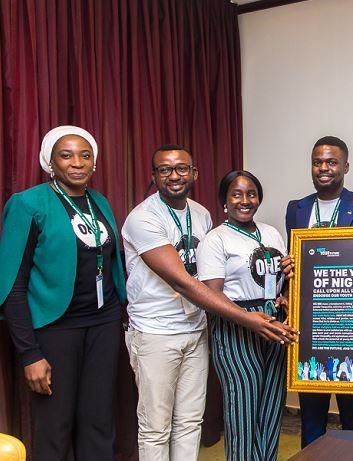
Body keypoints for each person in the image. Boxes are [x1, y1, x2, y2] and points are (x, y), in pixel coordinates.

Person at [123, 145, 297, 461]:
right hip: (157, 331)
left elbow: (264, 280)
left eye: (182, 168)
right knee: (156, 428)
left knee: (191, 421)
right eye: (165, 169)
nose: (174, 175)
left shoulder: (200, 213)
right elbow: (184, 281)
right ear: (154, 176)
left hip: (195, 326)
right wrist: (249, 318)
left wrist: (284, 289)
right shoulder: (143, 218)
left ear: (194, 174)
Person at [0, 126, 125, 460]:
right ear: (50, 162)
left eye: (85, 155)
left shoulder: (98, 201)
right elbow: (12, 284)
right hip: (55, 329)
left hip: (103, 324)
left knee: (99, 421)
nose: (77, 163)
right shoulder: (27, 204)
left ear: (94, 163)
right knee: (55, 427)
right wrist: (29, 352)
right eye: (66, 155)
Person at [284, 136, 353, 447]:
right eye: (317, 162)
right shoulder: (296, 208)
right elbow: (295, 261)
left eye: (331, 162)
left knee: (352, 414)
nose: (323, 168)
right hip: (310, 327)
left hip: (350, 325)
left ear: (345, 167)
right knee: (311, 413)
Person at [197, 170, 291, 461]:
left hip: (273, 324)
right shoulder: (215, 239)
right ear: (224, 200)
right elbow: (212, 297)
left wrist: (286, 292)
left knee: (271, 408)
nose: (245, 200)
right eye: (236, 194)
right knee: (243, 411)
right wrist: (248, 318)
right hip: (236, 325)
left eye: (251, 193)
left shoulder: (272, 232)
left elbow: (279, 281)